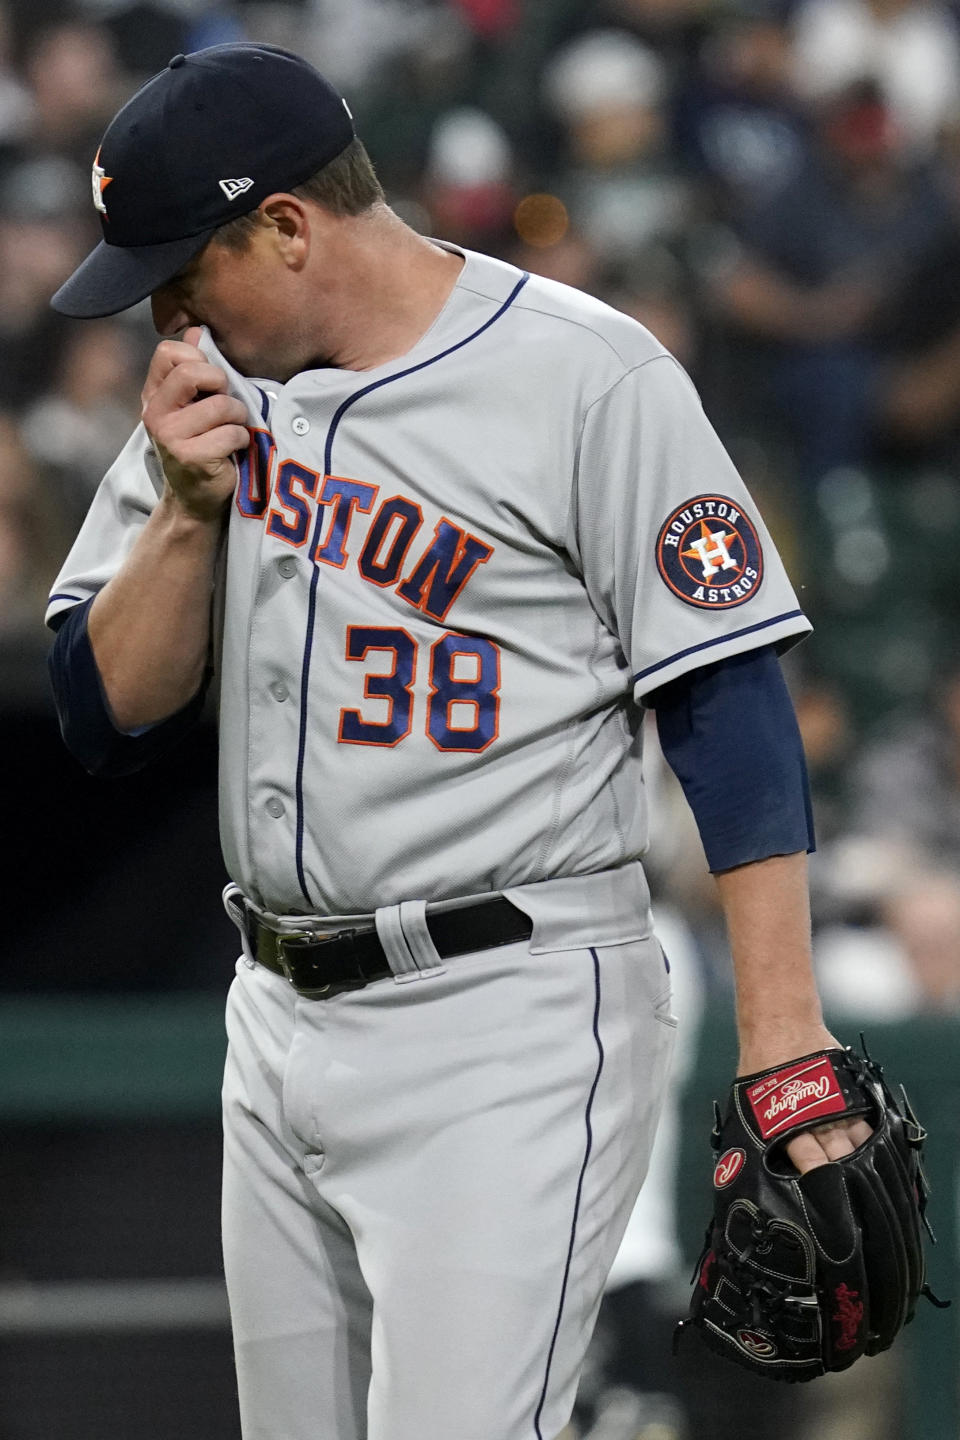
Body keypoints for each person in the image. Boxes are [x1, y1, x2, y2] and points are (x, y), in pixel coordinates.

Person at [45, 42, 870, 1440]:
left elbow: (727, 710)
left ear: (290, 226)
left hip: (509, 1012)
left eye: (187, 265)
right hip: (276, 1014)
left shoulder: (588, 376)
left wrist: (783, 1039)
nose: (166, 308)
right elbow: (101, 715)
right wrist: (186, 512)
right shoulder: (208, 391)